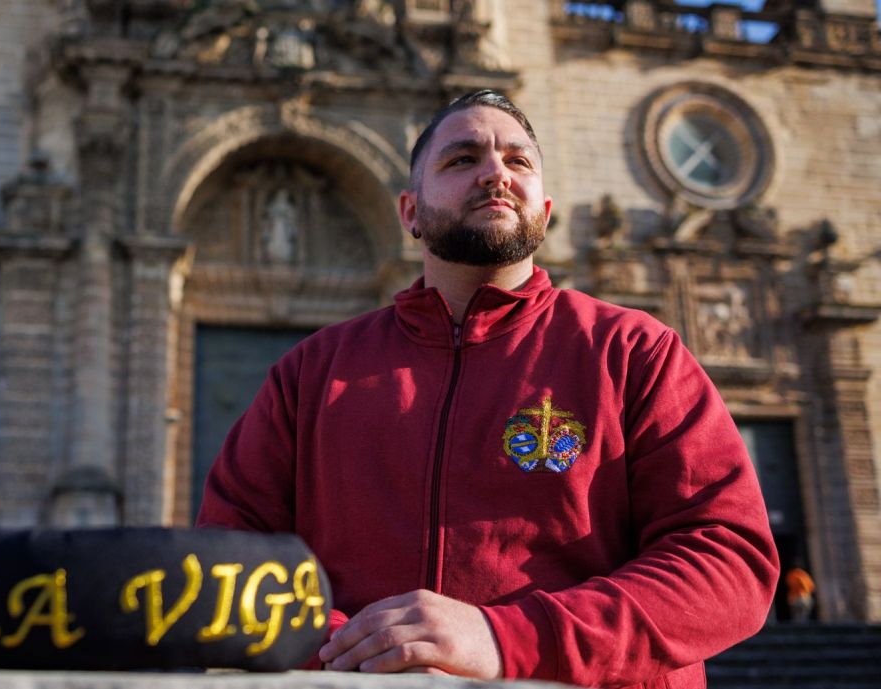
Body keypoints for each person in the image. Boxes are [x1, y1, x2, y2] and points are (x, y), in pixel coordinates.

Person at [196, 90, 779, 688]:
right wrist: (356, 652)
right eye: (462, 159)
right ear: (410, 213)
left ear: (544, 211)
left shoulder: (634, 353)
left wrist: (505, 639)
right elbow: (229, 555)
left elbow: (727, 561)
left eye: (518, 160)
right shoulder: (312, 372)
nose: (496, 173)